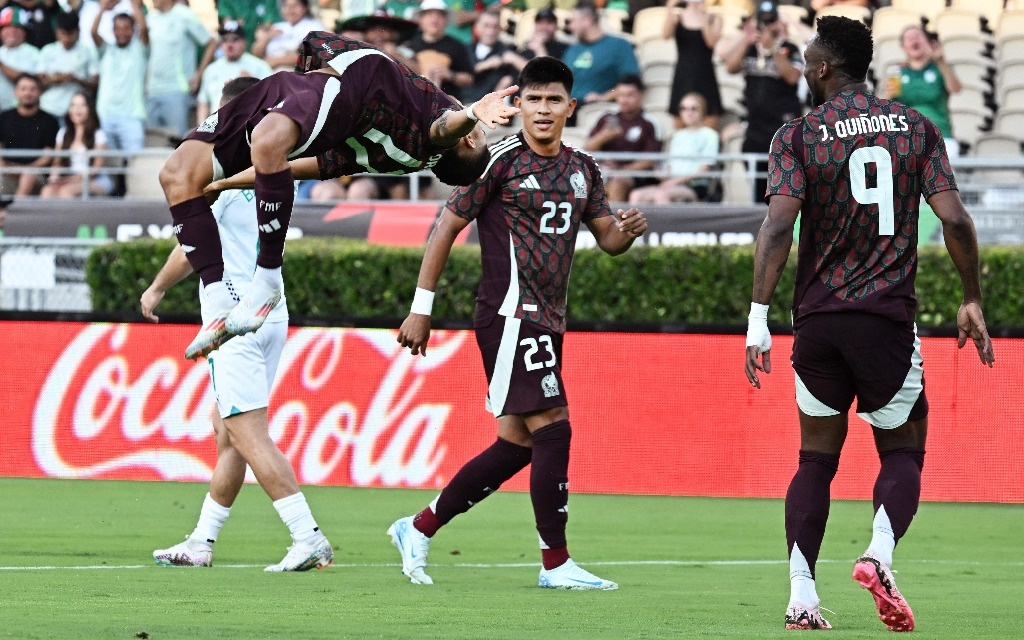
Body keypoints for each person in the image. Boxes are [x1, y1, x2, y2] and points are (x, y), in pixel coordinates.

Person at [743, 16, 996, 632]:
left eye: (809, 59)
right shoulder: (916, 127)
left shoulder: (798, 135)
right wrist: (971, 297)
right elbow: (955, 220)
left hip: (818, 322)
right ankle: (878, 555)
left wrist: (757, 316)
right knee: (904, 449)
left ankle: (801, 596)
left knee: (814, 460)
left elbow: (777, 227)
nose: (806, 68)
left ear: (824, 67)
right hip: (886, 320)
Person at [388, 56, 648, 591]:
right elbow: (446, 227)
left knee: (517, 444)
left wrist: (627, 231)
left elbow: (608, 239)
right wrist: (421, 306)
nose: (544, 109)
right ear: (519, 105)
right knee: (554, 426)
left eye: (554, 100)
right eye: (534, 99)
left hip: (548, 320)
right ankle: (556, 563)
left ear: (570, 107)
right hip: (508, 313)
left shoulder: (583, 168)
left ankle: (418, 527)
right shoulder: (496, 160)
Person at [161, 32, 519, 361]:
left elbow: (443, 130)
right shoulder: (383, 153)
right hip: (305, 82)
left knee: (268, 141)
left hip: (340, 84)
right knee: (176, 175)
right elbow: (298, 168)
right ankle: (219, 301)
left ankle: (267, 278)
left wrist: (472, 113)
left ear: (468, 139)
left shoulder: (431, 134)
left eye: (475, 132)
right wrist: (222, 184)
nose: (473, 126)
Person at [146, 76, 334, 573]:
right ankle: (201, 541)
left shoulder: (221, 172)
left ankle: (307, 536)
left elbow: (190, 246)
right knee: (229, 430)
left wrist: (156, 288)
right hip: (271, 309)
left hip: (232, 315)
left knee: (247, 432)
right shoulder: (274, 168)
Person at [723, 0, 803, 202]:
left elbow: (792, 77)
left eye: (770, 21)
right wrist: (746, 40)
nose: (766, 26)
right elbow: (730, 67)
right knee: (758, 188)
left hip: (782, 127)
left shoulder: (789, 48)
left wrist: (773, 48)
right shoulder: (750, 49)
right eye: (763, 21)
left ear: (778, 22)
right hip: (756, 128)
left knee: (782, 184)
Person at [881, 26, 962, 159]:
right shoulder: (897, 73)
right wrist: (887, 95)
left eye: (918, 36)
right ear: (903, 47)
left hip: (940, 135)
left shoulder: (940, 68)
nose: (914, 39)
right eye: (909, 38)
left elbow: (956, 89)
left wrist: (941, 61)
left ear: (928, 42)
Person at [144, 0, 218, 139]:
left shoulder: (185, 15)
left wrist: (199, 74)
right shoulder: (151, 18)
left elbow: (211, 42)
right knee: (153, 142)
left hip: (177, 91)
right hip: (152, 91)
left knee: (177, 141)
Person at [583, 74, 662, 202]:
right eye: (620, 95)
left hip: (637, 176)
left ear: (641, 95)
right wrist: (603, 136)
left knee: (618, 182)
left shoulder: (650, 122)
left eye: (630, 95)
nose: (624, 100)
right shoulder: (607, 117)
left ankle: (615, 215)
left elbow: (650, 161)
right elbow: (587, 148)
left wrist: (619, 170)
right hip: (606, 171)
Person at [629, 92, 719, 204]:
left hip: (694, 186)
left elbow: (704, 170)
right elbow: (670, 168)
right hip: (672, 183)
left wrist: (675, 181)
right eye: (684, 109)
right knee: (636, 195)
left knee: (661, 195)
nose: (688, 113)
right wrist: (659, 172)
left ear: (702, 111)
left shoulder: (710, 135)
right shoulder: (677, 135)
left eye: (694, 109)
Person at [93, 0, 148, 157]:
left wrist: (134, 5)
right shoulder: (106, 50)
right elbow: (93, 32)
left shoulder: (140, 50)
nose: (121, 32)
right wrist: (102, 7)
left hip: (132, 118)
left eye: (126, 28)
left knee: (134, 165)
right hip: (105, 116)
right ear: (113, 30)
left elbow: (144, 29)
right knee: (107, 164)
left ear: (133, 30)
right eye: (117, 28)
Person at [563, 2, 640, 106]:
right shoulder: (572, 49)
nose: (570, 26)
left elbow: (631, 82)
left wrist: (603, 97)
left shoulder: (618, 45)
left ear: (587, 21)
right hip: (568, 107)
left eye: (573, 21)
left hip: (597, 107)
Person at [195, 21, 273, 124]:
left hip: (249, 124)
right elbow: (203, 102)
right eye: (225, 40)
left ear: (244, 42)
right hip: (217, 125)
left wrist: (254, 87)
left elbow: (273, 99)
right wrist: (201, 126)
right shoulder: (211, 69)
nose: (229, 44)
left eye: (235, 39)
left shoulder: (260, 66)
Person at [40, 91, 114, 198]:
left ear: (90, 109)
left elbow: (97, 168)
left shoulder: (98, 134)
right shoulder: (63, 133)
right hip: (70, 178)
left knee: (66, 191)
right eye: (73, 105)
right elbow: (57, 162)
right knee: (47, 191)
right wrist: (54, 178)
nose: (77, 109)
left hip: (96, 179)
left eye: (82, 105)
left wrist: (72, 180)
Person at [663, 0, 722, 129]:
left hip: (705, 74)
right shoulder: (678, 17)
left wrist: (704, 18)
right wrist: (670, 8)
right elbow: (665, 35)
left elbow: (711, 43)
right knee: (680, 124)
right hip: (683, 74)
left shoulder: (715, 18)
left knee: (710, 122)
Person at [0, 73, 59, 196]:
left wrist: (25, 169)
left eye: (32, 89)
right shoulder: (4, 118)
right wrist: (7, 167)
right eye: (23, 89)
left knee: (28, 176)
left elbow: (48, 155)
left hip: (37, 175)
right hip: (7, 171)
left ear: (40, 92)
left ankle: (18, 208)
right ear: (15, 92)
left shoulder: (49, 121)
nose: (27, 93)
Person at [37, 10, 99, 123]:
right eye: (63, 34)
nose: (66, 38)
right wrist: (56, 79)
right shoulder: (47, 51)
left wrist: (75, 79)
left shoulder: (88, 52)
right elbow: (39, 82)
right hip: (49, 108)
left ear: (78, 32)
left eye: (70, 34)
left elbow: (95, 84)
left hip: (75, 112)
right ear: (57, 32)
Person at [403, 0, 474, 98]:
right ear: (421, 19)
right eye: (429, 15)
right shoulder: (409, 44)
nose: (434, 19)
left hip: (447, 101)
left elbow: (470, 79)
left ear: (446, 20)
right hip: (413, 99)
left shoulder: (456, 46)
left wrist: (451, 75)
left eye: (439, 15)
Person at [462, 8, 526, 105]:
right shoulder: (466, 49)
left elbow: (530, 71)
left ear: (500, 29)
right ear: (477, 27)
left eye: (495, 27)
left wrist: (513, 59)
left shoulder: (506, 50)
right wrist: (486, 64)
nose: (491, 31)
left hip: (490, 105)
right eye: (486, 26)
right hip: (464, 103)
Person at [252, 0, 325, 72]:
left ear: (305, 7)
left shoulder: (315, 27)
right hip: (269, 71)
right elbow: (255, 53)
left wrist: (277, 61)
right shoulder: (278, 26)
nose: (290, 10)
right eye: (286, 6)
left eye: (295, 6)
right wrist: (266, 37)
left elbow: (310, 56)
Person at [0, 5, 40, 111]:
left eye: (17, 27)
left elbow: (24, 79)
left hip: (21, 112)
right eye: (7, 27)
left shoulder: (33, 53)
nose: (12, 31)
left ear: (25, 31)